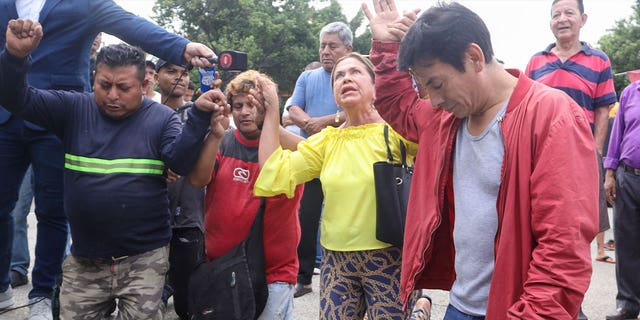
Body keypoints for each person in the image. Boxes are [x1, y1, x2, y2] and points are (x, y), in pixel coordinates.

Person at [364, 1, 598, 318]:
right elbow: (397, 103)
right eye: (424, 86)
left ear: (474, 57)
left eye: (436, 83)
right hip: (461, 306)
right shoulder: (445, 117)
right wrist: (386, 47)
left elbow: (563, 247)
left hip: (522, 309)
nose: (433, 100)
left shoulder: (551, 116)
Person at [0, 1, 216, 318]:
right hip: (12, 108)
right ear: (95, 77)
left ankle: (42, 293)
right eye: (105, 85)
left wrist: (184, 57)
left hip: (142, 256)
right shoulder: (73, 108)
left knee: (52, 211)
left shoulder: (159, 119)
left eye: (123, 87)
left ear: (144, 84)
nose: (113, 95)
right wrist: (15, 57)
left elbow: (129, 24)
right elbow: (16, 95)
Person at [255, 52, 417, 319]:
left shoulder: (398, 132)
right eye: (339, 76)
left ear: (376, 86)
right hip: (336, 260)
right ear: (334, 95)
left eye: (355, 72)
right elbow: (275, 173)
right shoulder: (328, 141)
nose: (346, 79)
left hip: (390, 256)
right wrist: (272, 110)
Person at [188, 70, 304, 320]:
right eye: (238, 105)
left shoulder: (290, 147)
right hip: (223, 267)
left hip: (274, 273)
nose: (244, 112)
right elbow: (198, 180)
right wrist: (215, 136)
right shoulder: (224, 141)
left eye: (254, 105)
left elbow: (311, 153)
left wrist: (271, 119)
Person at [525, 0, 617, 269]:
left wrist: (595, 155)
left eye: (569, 13)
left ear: (583, 19)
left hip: (580, 159)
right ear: (550, 22)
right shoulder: (536, 61)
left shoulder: (599, 60)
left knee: (576, 232)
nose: (562, 19)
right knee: (538, 227)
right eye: (556, 14)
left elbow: (603, 110)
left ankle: (572, 305)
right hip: (539, 158)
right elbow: (526, 107)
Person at [286, 22, 352, 297]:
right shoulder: (308, 77)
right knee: (306, 217)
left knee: (343, 218)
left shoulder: (352, 76)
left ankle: (346, 276)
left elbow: (352, 111)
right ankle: (304, 278)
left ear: (348, 49)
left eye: (332, 46)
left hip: (344, 161)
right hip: (311, 160)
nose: (326, 51)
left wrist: (324, 121)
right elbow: (293, 107)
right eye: (323, 45)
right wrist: (309, 122)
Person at [155, 59, 205, 320]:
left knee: (187, 306)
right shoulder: (146, 113)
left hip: (189, 218)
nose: (180, 78)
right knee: (150, 301)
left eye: (185, 73)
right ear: (155, 76)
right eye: (171, 71)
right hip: (152, 220)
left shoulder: (199, 114)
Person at [603, 79, 640, 320]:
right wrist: (610, 172)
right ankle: (628, 304)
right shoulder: (631, 92)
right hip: (628, 176)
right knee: (626, 243)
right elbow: (617, 134)